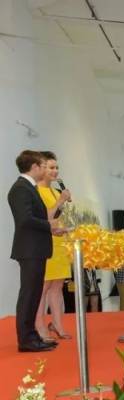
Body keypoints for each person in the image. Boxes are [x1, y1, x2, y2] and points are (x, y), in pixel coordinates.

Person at [8, 150, 65, 352]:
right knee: (29, 294)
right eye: (43, 166)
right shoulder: (20, 189)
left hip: (36, 248)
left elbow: (35, 219)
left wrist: (52, 228)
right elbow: (25, 220)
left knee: (34, 294)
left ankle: (32, 336)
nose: (45, 169)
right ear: (34, 167)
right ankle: (26, 339)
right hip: (29, 249)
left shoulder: (28, 187)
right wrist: (49, 225)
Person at [34, 151, 72, 341]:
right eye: (51, 167)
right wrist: (60, 201)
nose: (55, 171)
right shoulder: (35, 192)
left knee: (57, 286)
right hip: (45, 244)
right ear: (41, 168)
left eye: (56, 167)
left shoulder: (56, 191)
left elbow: (60, 218)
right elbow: (45, 218)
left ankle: (57, 324)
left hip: (60, 244)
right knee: (43, 287)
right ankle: (39, 326)